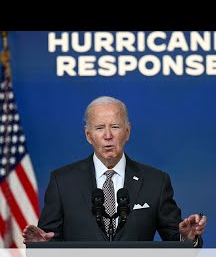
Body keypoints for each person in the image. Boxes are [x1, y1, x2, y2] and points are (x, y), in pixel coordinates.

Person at [22, 96, 206, 247]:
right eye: (100, 128)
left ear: (127, 132)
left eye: (115, 127)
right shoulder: (62, 181)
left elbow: (176, 241)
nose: (108, 135)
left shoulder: (155, 182)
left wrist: (187, 239)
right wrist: (42, 247)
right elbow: (50, 239)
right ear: (88, 135)